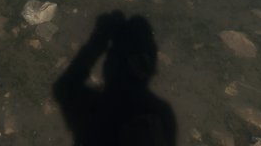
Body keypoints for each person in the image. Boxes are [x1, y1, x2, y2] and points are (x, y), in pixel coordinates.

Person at [53, 11, 177, 146]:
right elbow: (64, 87)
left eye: (111, 57)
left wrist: (98, 41)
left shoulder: (97, 108)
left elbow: (65, 87)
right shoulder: (161, 113)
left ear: (110, 66)